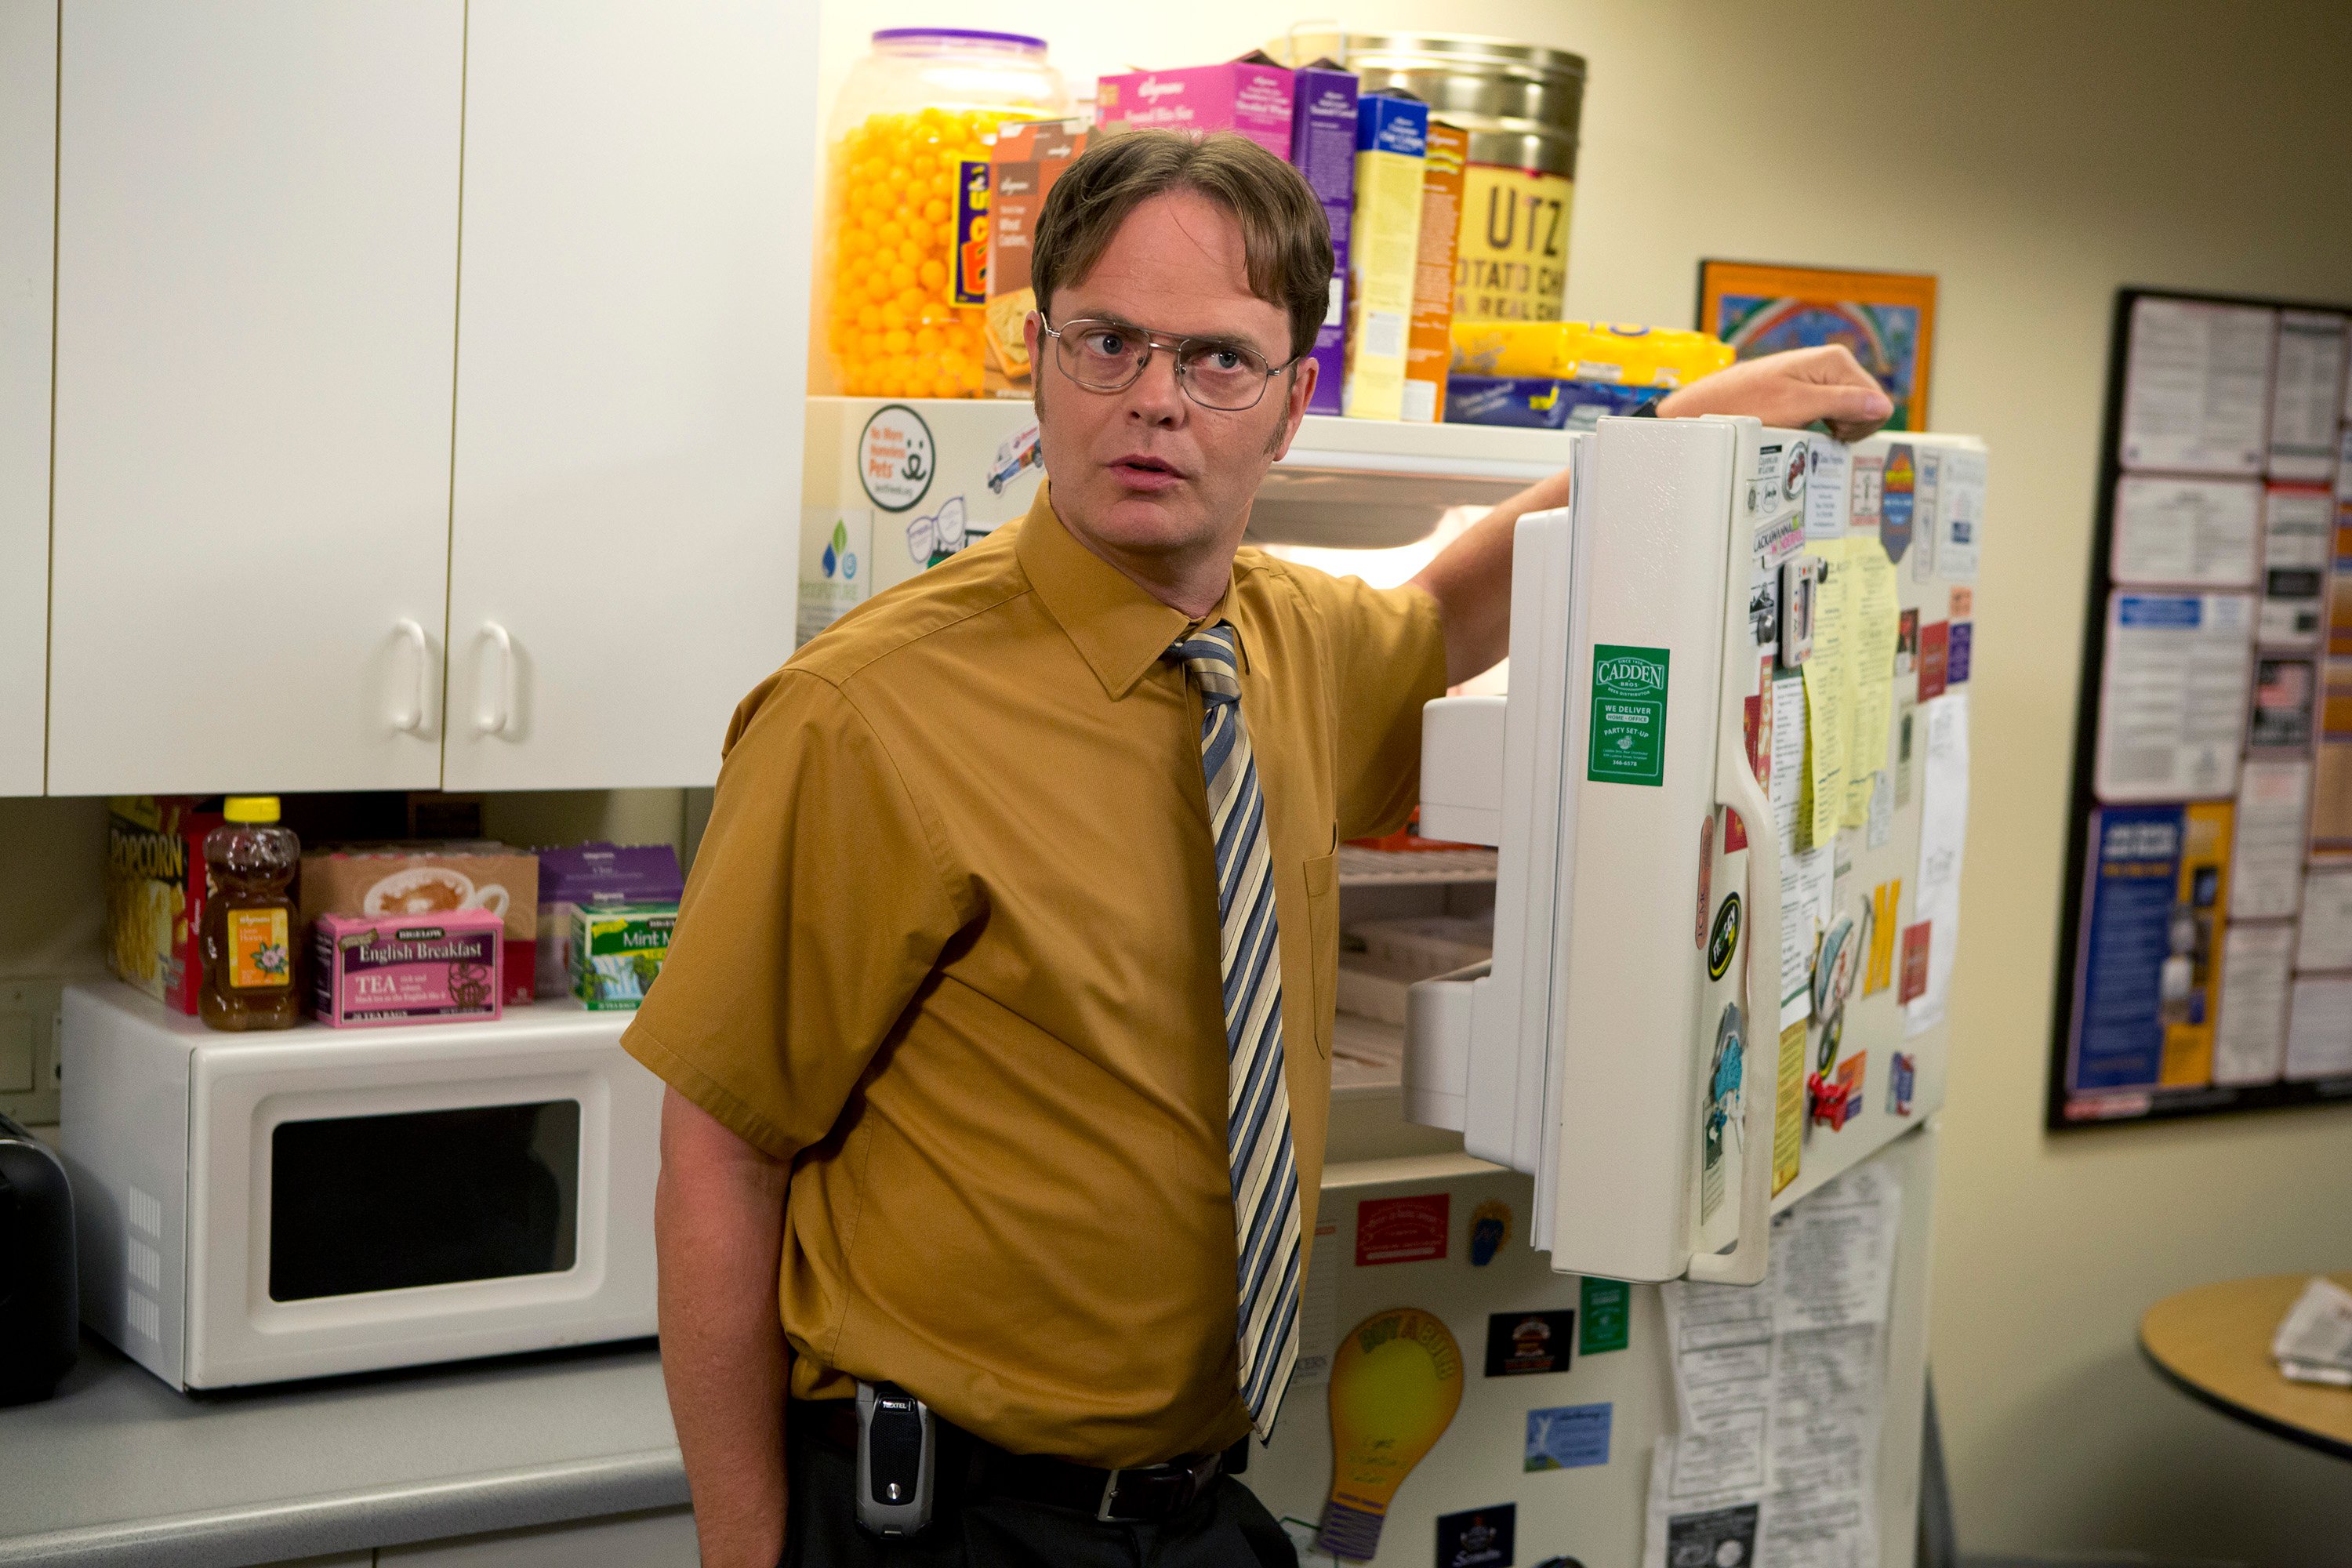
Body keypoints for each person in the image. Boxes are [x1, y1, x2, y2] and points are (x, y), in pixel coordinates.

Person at [626, 129, 1893, 1568]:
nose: (1154, 402)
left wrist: (1672, 448)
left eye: (1219, 360)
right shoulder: (862, 715)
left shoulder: (1285, 644)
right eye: (1108, 342)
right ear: (1037, 360)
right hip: (946, 1515)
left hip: (1200, 1501)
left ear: (1290, 407)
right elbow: (721, 1151)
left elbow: (1451, 613)